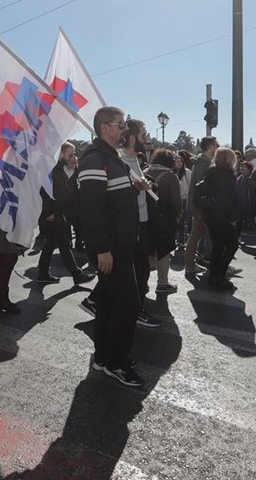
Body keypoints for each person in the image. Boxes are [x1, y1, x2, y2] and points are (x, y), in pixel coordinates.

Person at [77, 106, 144, 387]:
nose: (124, 129)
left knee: (107, 302)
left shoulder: (111, 158)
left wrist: (135, 187)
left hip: (121, 243)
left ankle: (104, 358)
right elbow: (91, 210)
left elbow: (113, 197)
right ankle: (116, 362)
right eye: (120, 124)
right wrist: (102, 248)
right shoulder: (94, 160)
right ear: (104, 127)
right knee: (128, 304)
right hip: (111, 247)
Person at [119, 118, 161, 328]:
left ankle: (133, 308)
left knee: (141, 270)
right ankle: (135, 311)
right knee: (138, 271)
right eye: (144, 135)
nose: (147, 139)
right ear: (133, 137)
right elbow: (118, 197)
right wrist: (137, 188)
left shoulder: (136, 159)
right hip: (131, 226)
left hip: (142, 223)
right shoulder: (120, 162)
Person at [36, 142, 96, 286]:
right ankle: (77, 275)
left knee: (51, 244)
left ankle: (42, 273)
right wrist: (51, 213)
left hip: (57, 215)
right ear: (61, 154)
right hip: (55, 215)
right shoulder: (54, 171)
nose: (74, 157)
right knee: (63, 245)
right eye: (71, 154)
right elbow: (48, 194)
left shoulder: (58, 169)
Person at [201, 148, 240, 290]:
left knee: (217, 247)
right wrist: (233, 217)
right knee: (232, 245)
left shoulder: (211, 171)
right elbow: (227, 199)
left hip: (211, 215)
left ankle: (214, 275)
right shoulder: (225, 174)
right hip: (222, 216)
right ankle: (220, 275)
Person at [144, 148, 181, 294]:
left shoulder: (145, 172)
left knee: (146, 251)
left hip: (146, 217)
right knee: (164, 251)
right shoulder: (171, 177)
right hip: (164, 219)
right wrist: (177, 216)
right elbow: (176, 202)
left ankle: (143, 283)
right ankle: (162, 283)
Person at [184, 137, 219, 273]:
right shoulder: (203, 163)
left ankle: (190, 265)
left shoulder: (203, 162)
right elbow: (201, 188)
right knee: (212, 235)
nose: (217, 147)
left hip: (199, 205)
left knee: (196, 234)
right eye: (216, 145)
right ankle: (217, 266)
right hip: (201, 206)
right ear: (210, 146)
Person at [174, 152, 193, 247]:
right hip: (177, 200)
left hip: (186, 199)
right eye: (177, 162)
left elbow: (191, 185)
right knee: (179, 221)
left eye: (180, 161)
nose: (179, 164)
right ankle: (179, 240)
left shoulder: (188, 172)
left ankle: (188, 241)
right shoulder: (172, 173)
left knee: (188, 220)